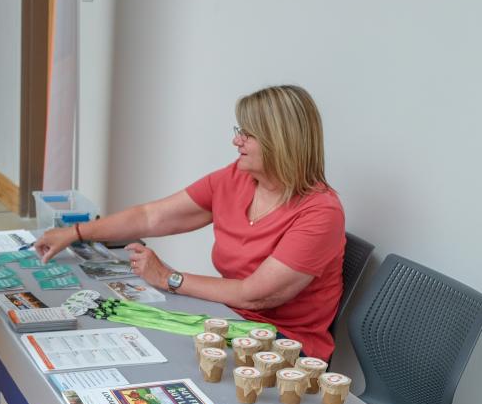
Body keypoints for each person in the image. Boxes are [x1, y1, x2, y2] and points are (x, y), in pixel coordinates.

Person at [36, 85, 346, 360]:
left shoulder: (321, 212)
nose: (236, 141)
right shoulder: (236, 177)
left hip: (285, 349)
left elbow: (256, 294)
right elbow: (150, 216)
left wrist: (170, 278)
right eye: (239, 130)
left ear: (281, 142)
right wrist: (76, 232)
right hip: (225, 319)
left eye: (248, 135)